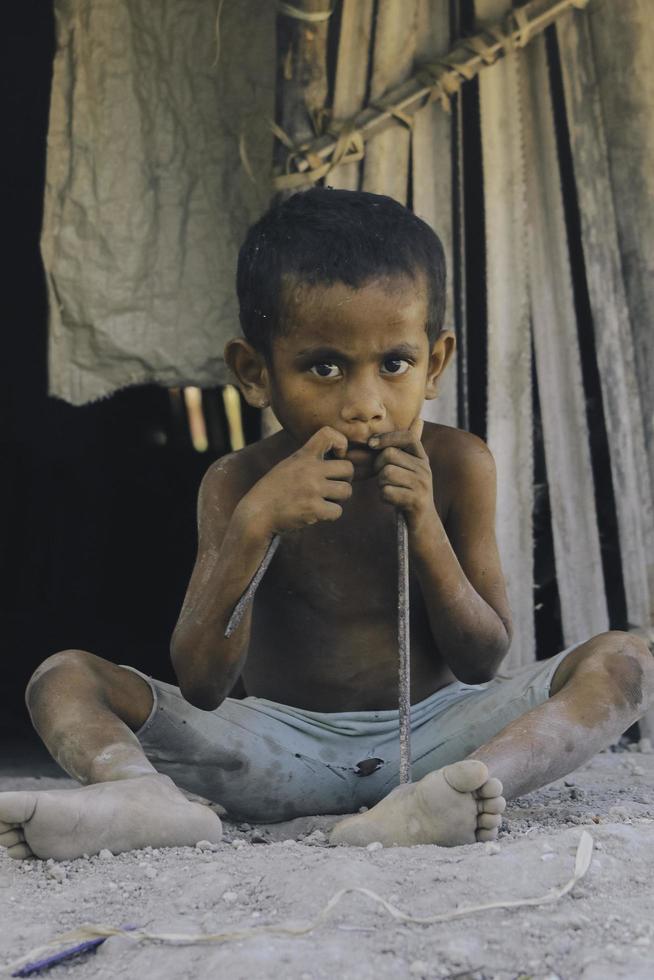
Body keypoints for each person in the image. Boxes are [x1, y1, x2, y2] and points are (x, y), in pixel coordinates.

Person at [2, 188, 652, 861]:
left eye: (394, 364)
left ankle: (465, 791)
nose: (364, 405)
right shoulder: (236, 483)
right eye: (324, 367)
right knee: (63, 675)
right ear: (255, 374)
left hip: (432, 739)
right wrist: (257, 523)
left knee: (627, 660)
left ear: (435, 363)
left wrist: (424, 522)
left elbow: (482, 658)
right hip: (276, 748)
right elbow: (201, 684)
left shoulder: (459, 465)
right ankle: (139, 794)